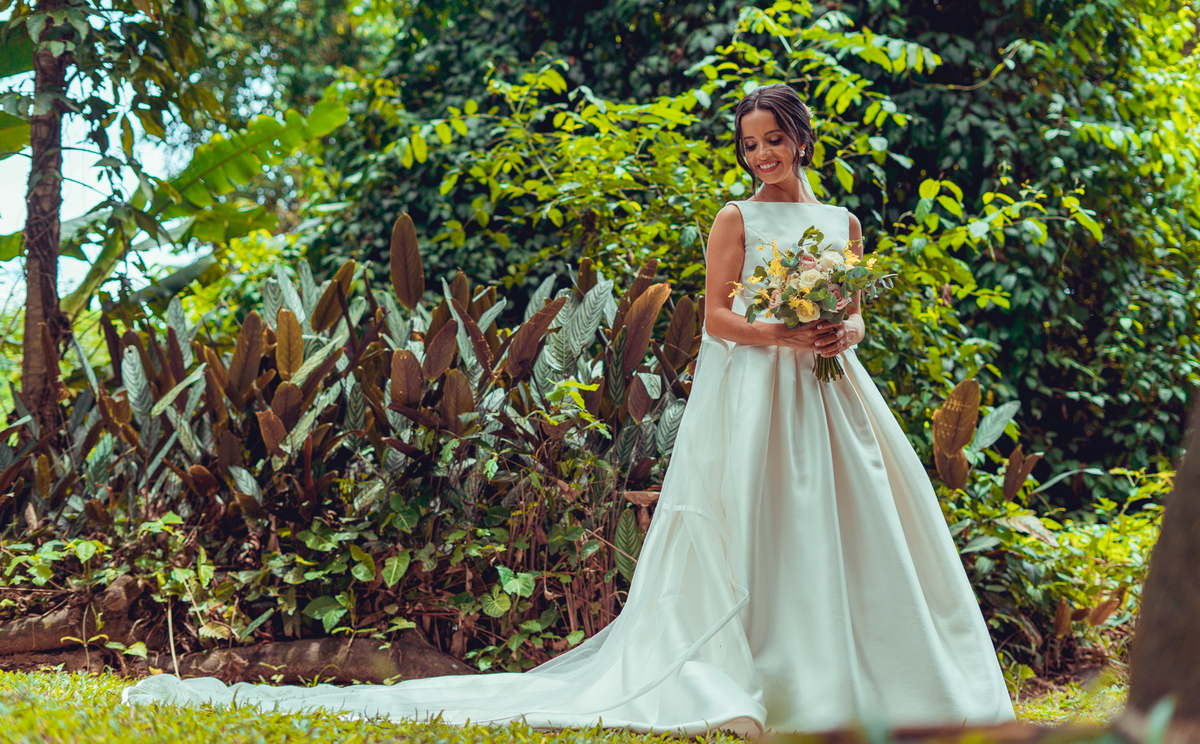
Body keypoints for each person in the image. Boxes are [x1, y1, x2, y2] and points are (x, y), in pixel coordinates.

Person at [123, 84, 1016, 735]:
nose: (760, 156)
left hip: (829, 396)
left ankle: (863, 673)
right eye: (748, 145)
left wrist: (836, 331)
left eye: (772, 140)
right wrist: (785, 336)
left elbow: (854, 311)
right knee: (763, 524)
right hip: (755, 392)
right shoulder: (734, 218)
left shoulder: (845, 225)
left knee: (852, 524)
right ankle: (768, 669)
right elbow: (713, 318)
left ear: (800, 138)